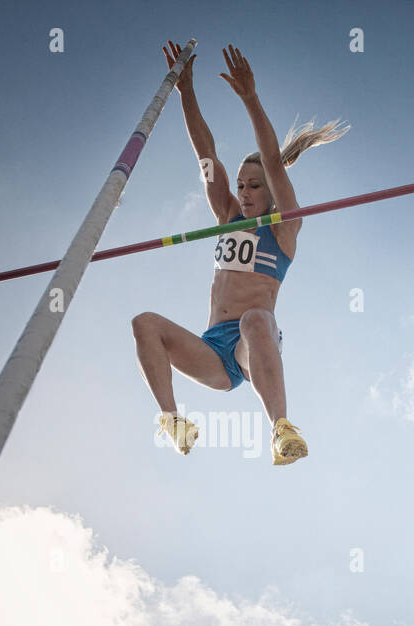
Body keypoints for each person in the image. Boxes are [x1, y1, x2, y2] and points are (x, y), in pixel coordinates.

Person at [132, 42, 348, 465]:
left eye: (255, 186)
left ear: (272, 192)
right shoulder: (228, 215)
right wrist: (186, 92)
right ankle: (173, 421)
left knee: (253, 319)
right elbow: (207, 157)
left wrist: (250, 98)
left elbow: (271, 157)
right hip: (214, 350)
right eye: (242, 185)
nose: (245, 193)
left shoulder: (285, 227)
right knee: (144, 324)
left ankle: (282, 429)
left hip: (255, 343)